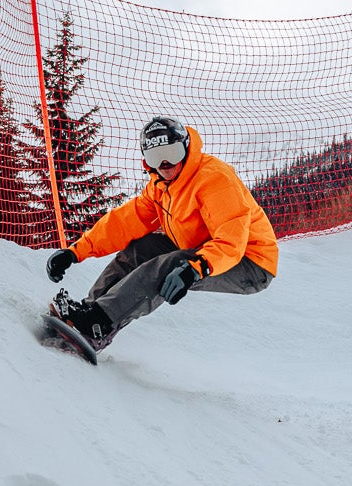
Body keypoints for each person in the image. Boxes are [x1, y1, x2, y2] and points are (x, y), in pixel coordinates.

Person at [44, 115, 278, 354]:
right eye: (156, 157)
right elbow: (124, 222)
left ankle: (99, 325)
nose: (165, 163)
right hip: (203, 248)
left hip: (250, 261)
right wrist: (75, 252)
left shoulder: (214, 179)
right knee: (141, 249)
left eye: (172, 153)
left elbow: (231, 240)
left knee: (172, 266)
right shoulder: (160, 186)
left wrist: (196, 268)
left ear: (185, 149)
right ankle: (90, 311)